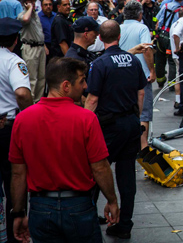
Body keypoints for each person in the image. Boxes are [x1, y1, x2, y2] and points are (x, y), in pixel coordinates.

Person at [9, 58, 119, 243]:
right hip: (79, 206)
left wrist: (19, 212)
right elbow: (100, 167)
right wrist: (112, 200)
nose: (85, 86)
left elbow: (18, 173)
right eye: (82, 80)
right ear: (66, 86)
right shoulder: (86, 118)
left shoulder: (23, 119)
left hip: (40, 207)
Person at [85, 20, 147, 239]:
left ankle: (89, 219)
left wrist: (84, 124)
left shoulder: (100, 64)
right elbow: (141, 92)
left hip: (108, 126)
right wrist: (136, 117)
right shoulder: (133, 60)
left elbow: (93, 98)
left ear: (100, 38)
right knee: (127, 175)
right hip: (130, 123)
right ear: (119, 37)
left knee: (97, 172)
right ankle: (125, 223)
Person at [0, 18, 33, 242]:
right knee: (14, 177)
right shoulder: (13, 62)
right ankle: (15, 228)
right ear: (16, 39)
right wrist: (29, 114)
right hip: (7, 129)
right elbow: (22, 93)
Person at [119, 1, 156, 147]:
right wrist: (152, 70)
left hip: (121, 74)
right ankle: (143, 145)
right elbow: (146, 49)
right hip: (140, 75)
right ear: (140, 14)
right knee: (144, 111)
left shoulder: (118, 28)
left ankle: (127, 142)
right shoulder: (142, 28)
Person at [154, 0, 183, 88]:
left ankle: (160, 80)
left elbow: (157, 21)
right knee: (172, 60)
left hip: (161, 35)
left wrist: (156, 34)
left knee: (159, 59)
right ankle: (172, 84)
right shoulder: (182, 11)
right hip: (172, 37)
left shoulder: (166, 5)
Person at [17, 0, 46, 103]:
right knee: (32, 78)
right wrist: (28, 8)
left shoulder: (35, 15)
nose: (33, 4)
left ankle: (38, 101)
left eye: (34, 1)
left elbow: (38, 32)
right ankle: (30, 103)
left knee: (41, 78)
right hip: (30, 48)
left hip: (40, 47)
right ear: (25, 3)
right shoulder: (23, 15)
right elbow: (25, 19)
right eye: (30, 2)